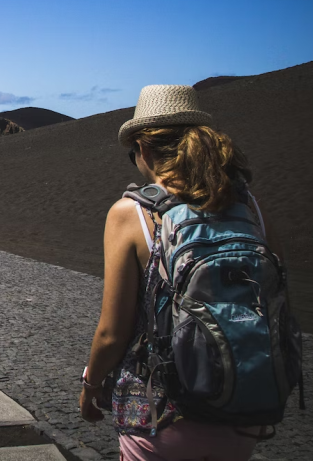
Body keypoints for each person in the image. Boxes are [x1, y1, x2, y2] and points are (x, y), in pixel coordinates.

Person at [80, 85, 278, 460]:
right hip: (243, 409)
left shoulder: (133, 213)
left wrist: (90, 384)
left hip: (161, 414)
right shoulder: (250, 207)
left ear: (145, 148)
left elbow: (112, 331)